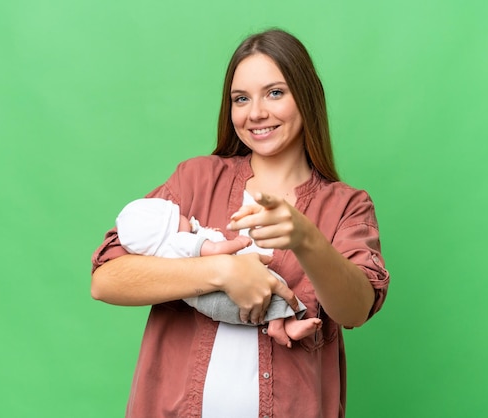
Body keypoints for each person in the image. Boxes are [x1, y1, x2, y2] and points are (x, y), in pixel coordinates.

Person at [91, 28, 390, 418]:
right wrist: (220, 269)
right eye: (241, 99)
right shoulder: (196, 179)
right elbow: (106, 280)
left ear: (306, 95)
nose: (256, 113)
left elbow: (355, 310)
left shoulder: (346, 205)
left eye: (275, 92)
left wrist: (306, 239)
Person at [114, 197, 322, 347]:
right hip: (218, 296)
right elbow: (215, 250)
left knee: (265, 294)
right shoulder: (179, 240)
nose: (185, 216)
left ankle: (283, 324)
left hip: (208, 305)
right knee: (271, 283)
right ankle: (284, 325)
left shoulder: (159, 255)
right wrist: (239, 242)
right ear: (170, 226)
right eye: (179, 215)